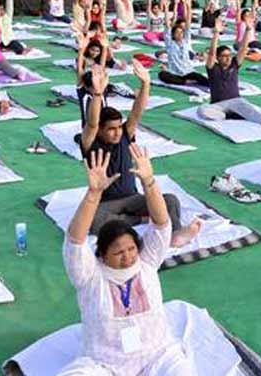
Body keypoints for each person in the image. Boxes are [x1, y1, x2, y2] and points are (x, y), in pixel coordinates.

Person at [58, 146, 196, 376]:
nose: (128, 256)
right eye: (119, 253)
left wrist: (149, 181)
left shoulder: (147, 261)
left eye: (131, 249)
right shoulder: (89, 274)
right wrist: (93, 195)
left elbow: (162, 225)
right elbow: (74, 241)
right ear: (102, 255)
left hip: (158, 354)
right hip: (103, 362)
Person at [79, 62, 201, 245]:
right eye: (111, 129)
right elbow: (92, 123)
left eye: (119, 127)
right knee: (94, 221)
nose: (117, 132)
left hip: (133, 198)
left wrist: (146, 84)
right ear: (101, 131)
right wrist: (97, 94)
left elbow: (137, 112)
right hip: (106, 204)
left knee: (170, 200)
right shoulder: (90, 143)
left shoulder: (125, 136)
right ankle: (141, 220)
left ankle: (175, 232)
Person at [196, 20, 261, 123]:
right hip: (218, 105)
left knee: (249, 109)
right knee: (202, 109)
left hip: (236, 101)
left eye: (229, 55)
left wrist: (247, 30)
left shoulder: (234, 64)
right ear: (218, 58)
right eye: (224, 56)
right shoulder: (213, 68)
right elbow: (211, 54)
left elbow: (243, 48)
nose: (228, 58)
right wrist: (216, 33)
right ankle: (228, 115)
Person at [158, 9, 208, 87]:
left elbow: (188, 24)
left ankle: (212, 85)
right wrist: (166, 7)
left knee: (200, 77)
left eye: (181, 32)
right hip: (175, 73)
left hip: (187, 71)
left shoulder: (186, 42)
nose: (180, 34)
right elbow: (167, 26)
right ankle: (184, 82)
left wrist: (188, 6)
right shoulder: (170, 44)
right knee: (162, 75)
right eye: (177, 33)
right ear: (173, 35)